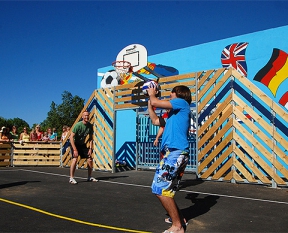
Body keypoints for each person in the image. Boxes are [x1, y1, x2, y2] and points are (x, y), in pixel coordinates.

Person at [147, 85, 191, 233]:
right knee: (168, 190)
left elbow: (156, 102)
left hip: (175, 153)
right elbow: (154, 120)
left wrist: (152, 94)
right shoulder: (173, 115)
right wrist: (150, 98)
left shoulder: (181, 102)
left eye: (171, 93)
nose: (169, 95)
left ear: (177, 94)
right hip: (172, 154)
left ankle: (177, 227)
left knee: (159, 188)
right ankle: (180, 219)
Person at [69, 110, 98, 184]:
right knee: (75, 159)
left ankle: (89, 176)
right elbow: (71, 137)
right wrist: (75, 149)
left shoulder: (90, 126)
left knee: (90, 159)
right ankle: (71, 178)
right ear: (82, 117)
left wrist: (90, 148)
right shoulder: (78, 125)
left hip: (82, 144)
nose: (87, 117)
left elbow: (91, 138)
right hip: (74, 143)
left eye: (87, 115)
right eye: (85, 115)